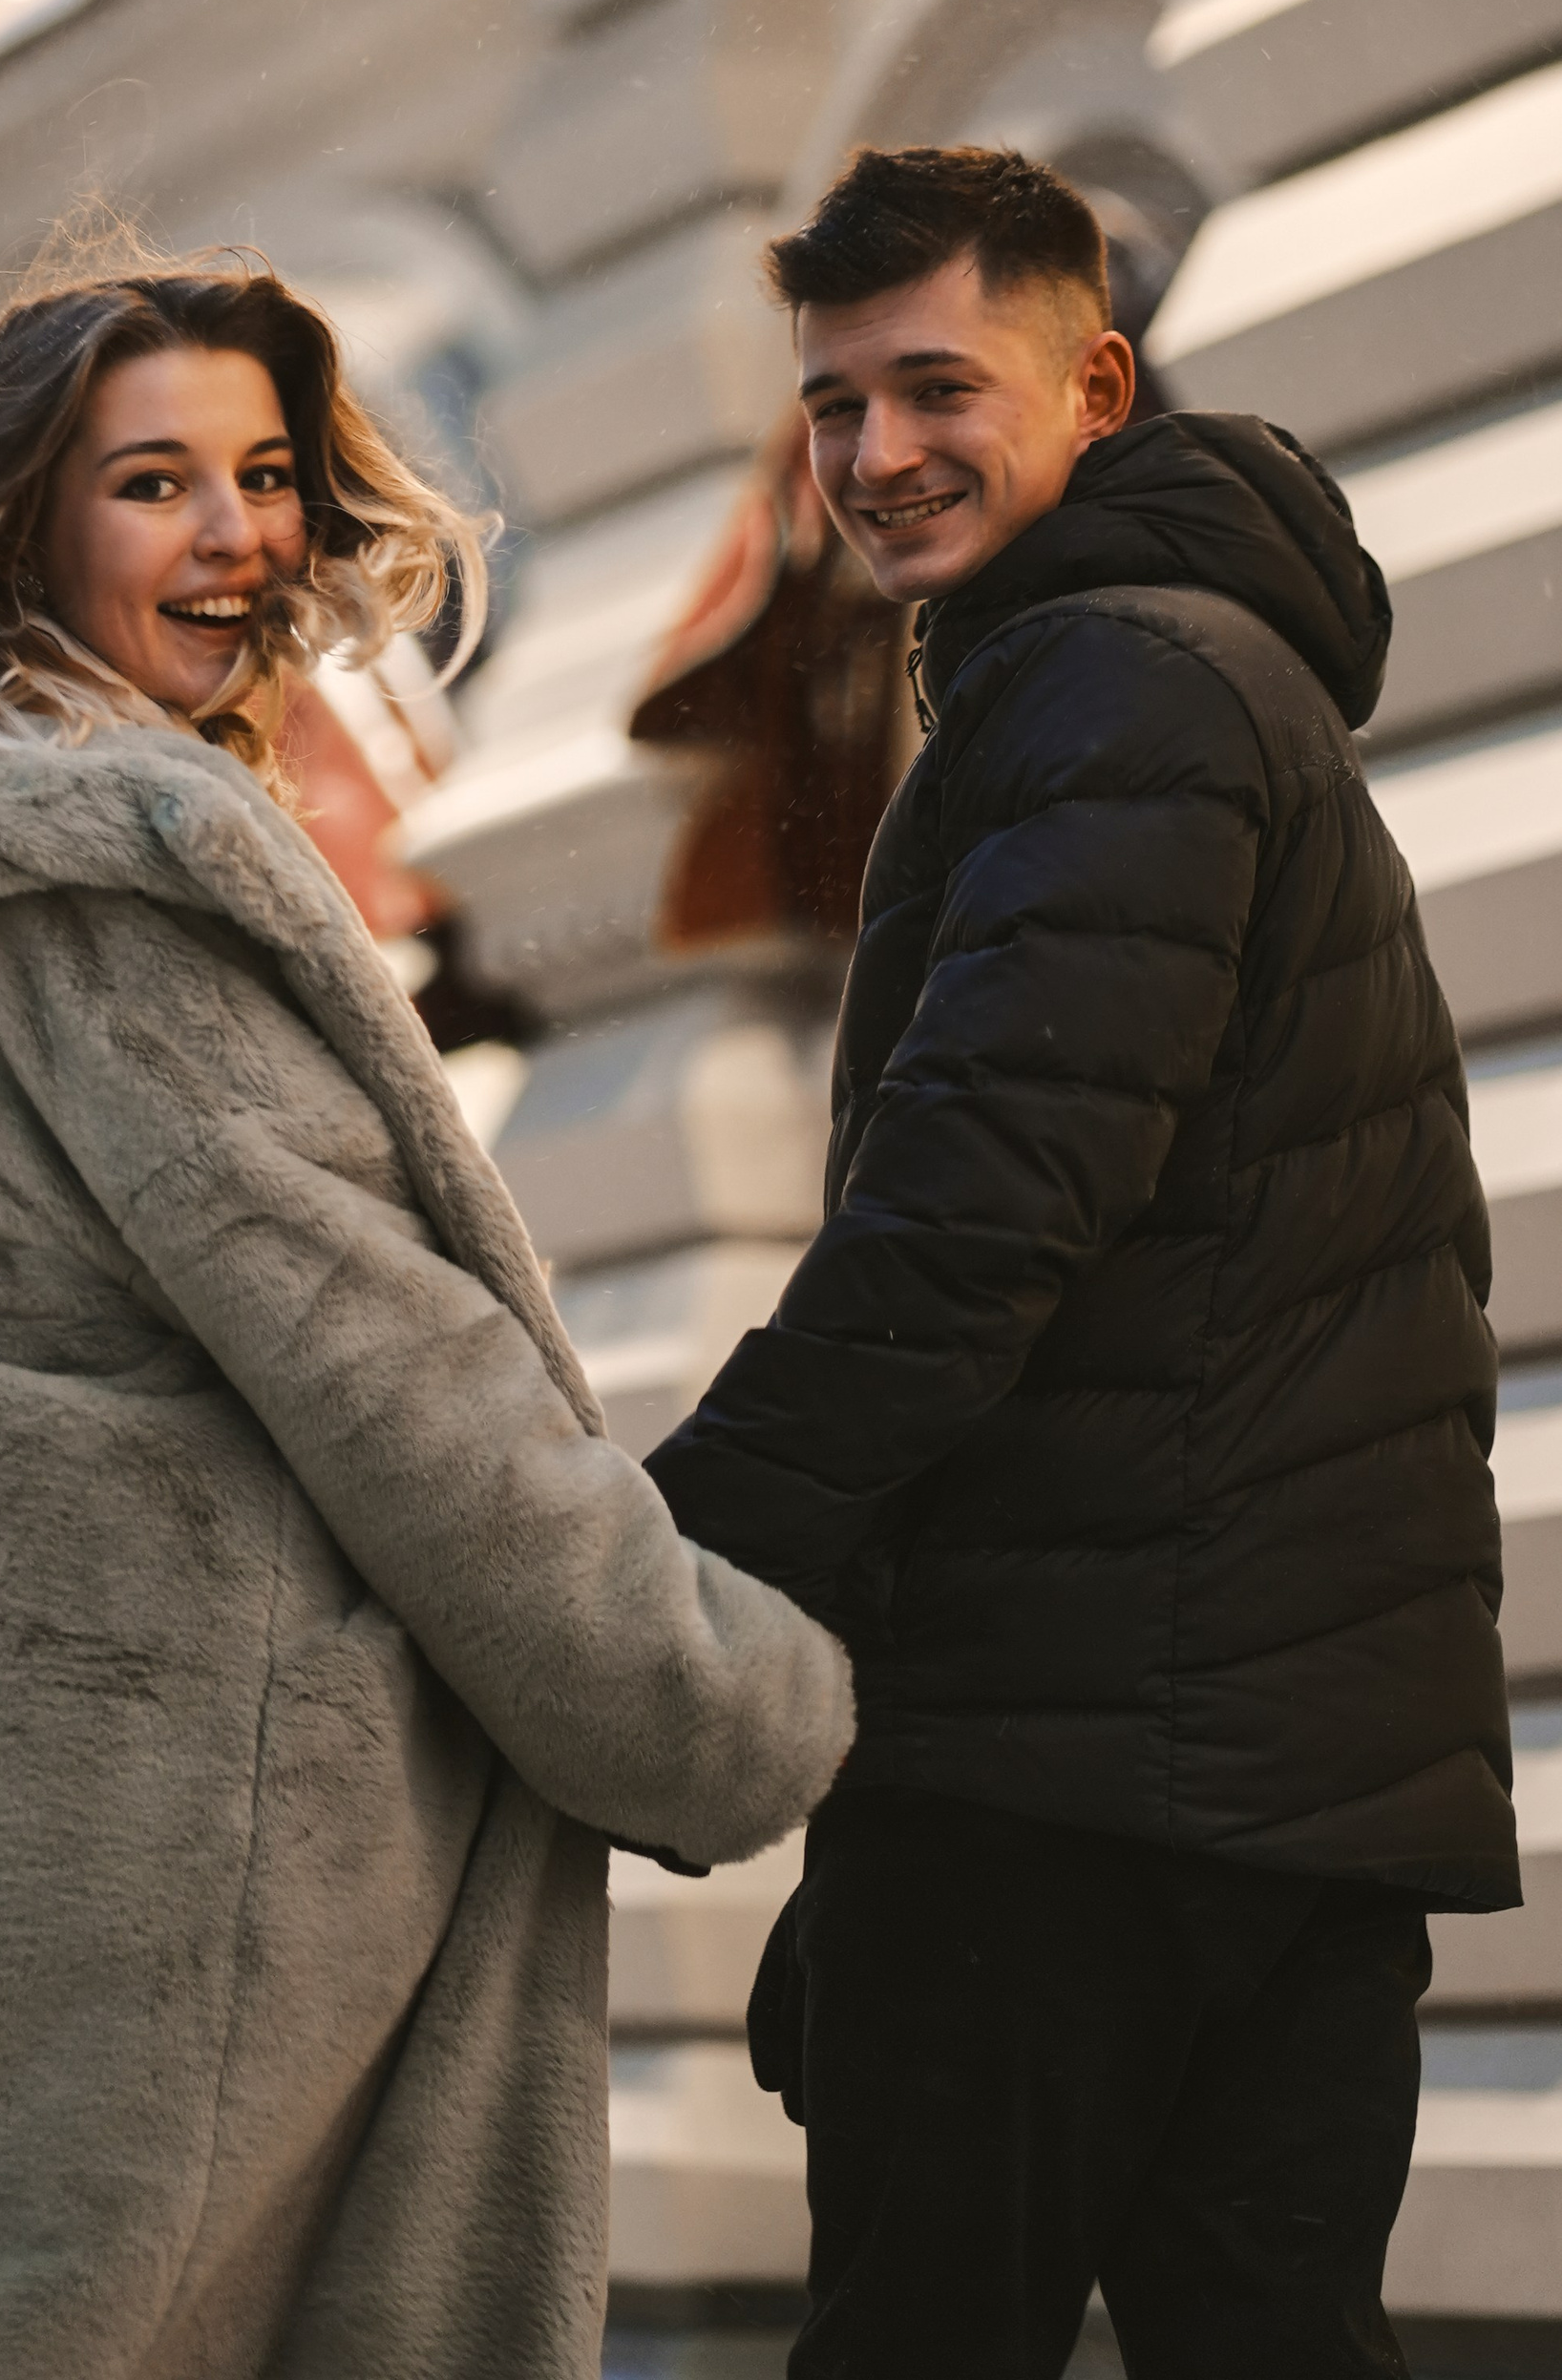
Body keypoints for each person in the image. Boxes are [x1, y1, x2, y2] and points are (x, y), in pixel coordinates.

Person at [0, 250, 854, 2380]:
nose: (237, 533)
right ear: (16, 522)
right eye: (153, 481)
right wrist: (716, 1697)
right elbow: (389, 1373)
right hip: (90, 1835)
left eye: (262, 474)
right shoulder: (99, 894)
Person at [646, 146, 1517, 2380]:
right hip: (1286, 1768)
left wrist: (650, 1561)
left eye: (935, 386)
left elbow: (973, 1209)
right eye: (833, 408)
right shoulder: (1201, 681)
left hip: (1074, 1765)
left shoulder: (1108, 687)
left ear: (1092, 384)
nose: (875, 455)